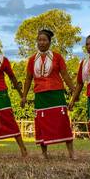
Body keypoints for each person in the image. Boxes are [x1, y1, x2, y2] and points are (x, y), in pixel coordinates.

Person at [22, 29, 75, 158]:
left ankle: (71, 153)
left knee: (62, 122)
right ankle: (44, 153)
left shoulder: (57, 57)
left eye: (44, 40)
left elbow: (65, 75)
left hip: (56, 94)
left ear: (50, 42)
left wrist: (74, 89)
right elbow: (28, 78)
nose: (41, 42)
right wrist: (24, 96)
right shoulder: (32, 59)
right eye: (39, 40)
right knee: (41, 122)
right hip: (40, 95)